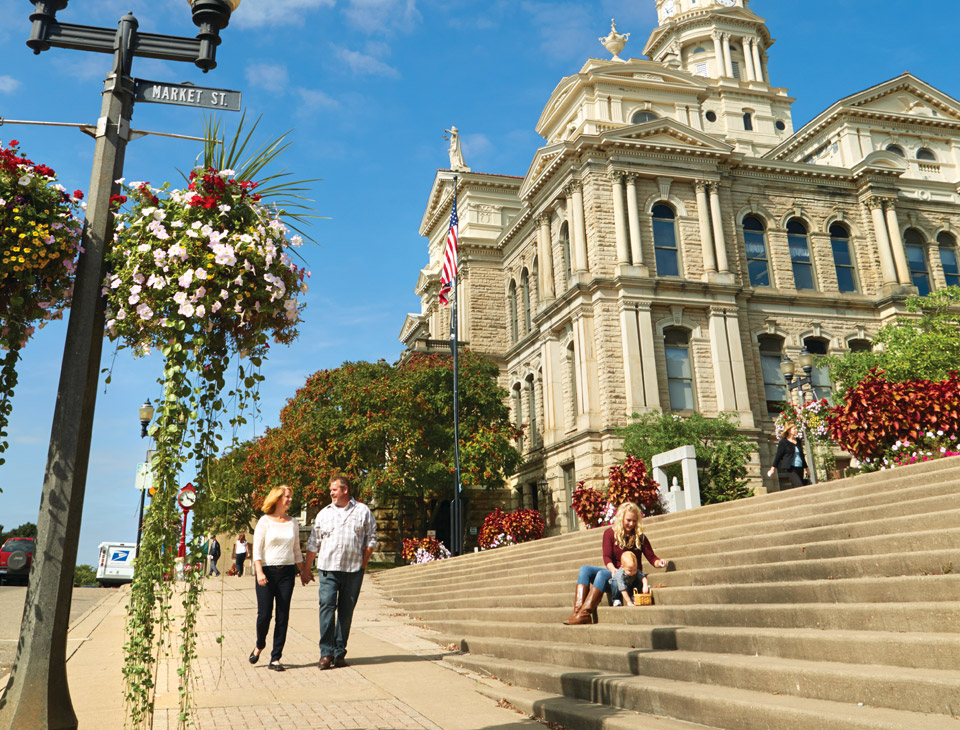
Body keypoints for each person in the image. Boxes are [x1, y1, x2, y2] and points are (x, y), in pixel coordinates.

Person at [302, 475, 378, 670]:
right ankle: (326, 653)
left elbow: (372, 538)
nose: (331, 493)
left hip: (353, 571)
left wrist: (364, 562)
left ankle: (339, 653)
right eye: (331, 490)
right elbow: (313, 543)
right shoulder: (323, 514)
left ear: (345, 490)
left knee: (346, 612)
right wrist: (306, 569)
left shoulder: (362, 511)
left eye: (334, 489)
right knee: (326, 607)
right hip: (328, 570)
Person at [563, 502, 666, 625]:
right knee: (584, 569)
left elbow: (651, 557)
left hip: (630, 578)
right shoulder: (609, 534)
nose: (631, 524)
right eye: (628, 520)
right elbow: (607, 557)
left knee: (601, 574)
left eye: (634, 521)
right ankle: (578, 613)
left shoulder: (640, 537)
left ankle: (585, 614)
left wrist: (659, 562)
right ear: (621, 517)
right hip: (615, 574)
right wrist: (613, 570)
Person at [250, 486, 308, 672]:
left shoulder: (293, 522)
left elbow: (296, 550)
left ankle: (276, 658)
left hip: (287, 574)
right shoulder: (264, 521)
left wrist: (304, 570)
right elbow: (257, 550)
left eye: (291, 497)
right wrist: (259, 572)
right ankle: (260, 645)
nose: (290, 500)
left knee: (283, 615)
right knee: (264, 615)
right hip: (266, 572)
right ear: (277, 498)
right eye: (287, 497)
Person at [768, 422, 807, 488]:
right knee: (799, 485)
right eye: (794, 429)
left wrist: (807, 468)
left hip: (799, 467)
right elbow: (778, 455)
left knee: (798, 486)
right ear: (789, 430)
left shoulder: (798, 441)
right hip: (790, 468)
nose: (796, 430)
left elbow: (802, 455)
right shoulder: (783, 442)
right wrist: (772, 468)